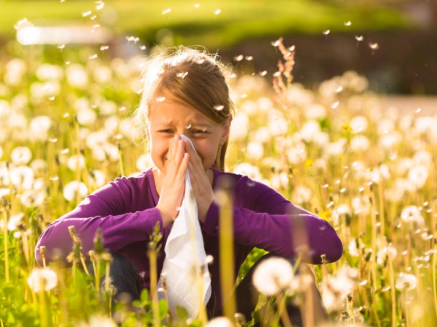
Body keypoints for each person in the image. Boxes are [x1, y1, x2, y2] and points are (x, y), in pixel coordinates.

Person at [35, 46, 343, 325]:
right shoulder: (128, 193)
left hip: (222, 321)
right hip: (137, 318)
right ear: (148, 130)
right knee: (107, 264)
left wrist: (219, 215)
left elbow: (327, 243)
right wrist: (158, 216)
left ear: (224, 131)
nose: (182, 146)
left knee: (291, 269)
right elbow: (48, 247)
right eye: (167, 131)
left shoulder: (240, 193)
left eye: (198, 131)